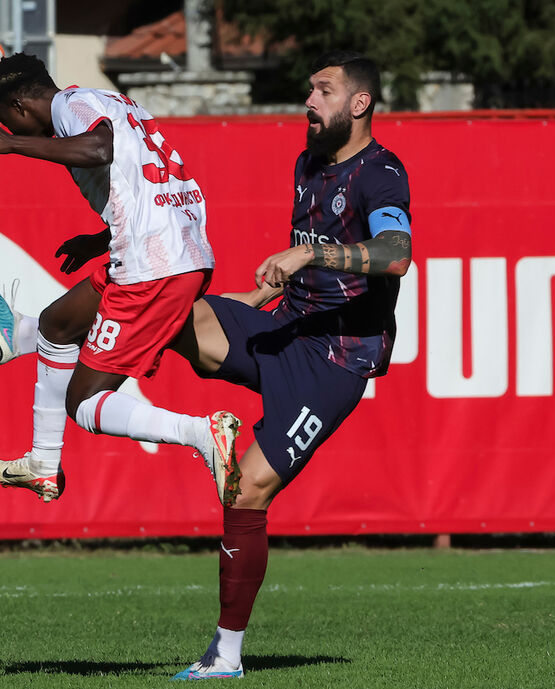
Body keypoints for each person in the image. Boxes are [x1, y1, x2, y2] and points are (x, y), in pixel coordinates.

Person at [164, 50, 413, 679]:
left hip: (334, 362)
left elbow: (395, 254)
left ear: (359, 104)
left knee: (246, 489)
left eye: (323, 92)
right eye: (309, 90)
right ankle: (31, 333)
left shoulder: (382, 173)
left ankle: (225, 656)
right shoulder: (307, 164)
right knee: (174, 308)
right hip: (284, 326)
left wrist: (311, 258)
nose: (309, 102)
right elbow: (303, 271)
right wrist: (256, 298)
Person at [0, 53, 242, 508]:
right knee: (58, 326)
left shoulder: (71, 106)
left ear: (19, 106)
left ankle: (202, 434)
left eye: (5, 118)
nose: (8, 128)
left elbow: (98, 149)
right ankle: (42, 457)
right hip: (165, 249)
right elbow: (143, 181)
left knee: (83, 403)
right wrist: (101, 237)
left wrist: (8, 145)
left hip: (153, 266)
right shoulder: (110, 100)